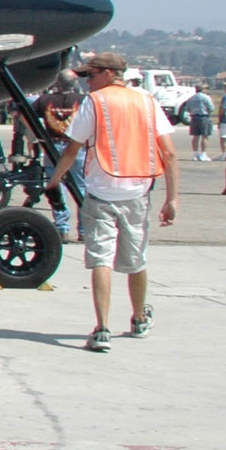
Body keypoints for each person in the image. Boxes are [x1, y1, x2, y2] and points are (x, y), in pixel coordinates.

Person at [44, 52, 179, 353]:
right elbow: (169, 152)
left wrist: (54, 182)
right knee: (135, 260)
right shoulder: (147, 101)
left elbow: (72, 148)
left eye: (90, 76)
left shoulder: (96, 102)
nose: (87, 83)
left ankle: (102, 329)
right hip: (137, 192)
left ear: (107, 74)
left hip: (101, 192)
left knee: (101, 259)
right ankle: (139, 319)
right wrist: (172, 199)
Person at [33, 70, 87, 238]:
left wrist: (37, 135)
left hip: (53, 146)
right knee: (81, 186)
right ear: (74, 84)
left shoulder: (45, 100)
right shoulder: (83, 101)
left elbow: (24, 115)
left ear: (57, 83)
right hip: (76, 146)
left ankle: (62, 226)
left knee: (57, 185)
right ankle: (84, 230)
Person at [180, 89, 215, 162]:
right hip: (203, 117)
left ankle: (195, 154)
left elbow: (186, 108)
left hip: (194, 117)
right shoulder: (206, 97)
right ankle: (203, 154)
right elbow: (211, 108)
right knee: (204, 136)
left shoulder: (191, 98)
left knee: (195, 136)